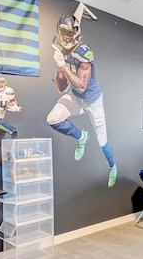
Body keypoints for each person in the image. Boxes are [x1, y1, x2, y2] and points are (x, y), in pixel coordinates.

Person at [47, 13, 117, 188]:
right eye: (65, 33)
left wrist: (63, 65)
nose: (67, 37)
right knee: (53, 118)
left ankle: (112, 167)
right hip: (76, 98)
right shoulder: (59, 46)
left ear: (77, 34)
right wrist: (58, 70)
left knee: (102, 140)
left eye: (70, 34)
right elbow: (62, 88)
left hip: (92, 99)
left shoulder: (83, 52)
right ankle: (81, 137)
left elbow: (81, 86)